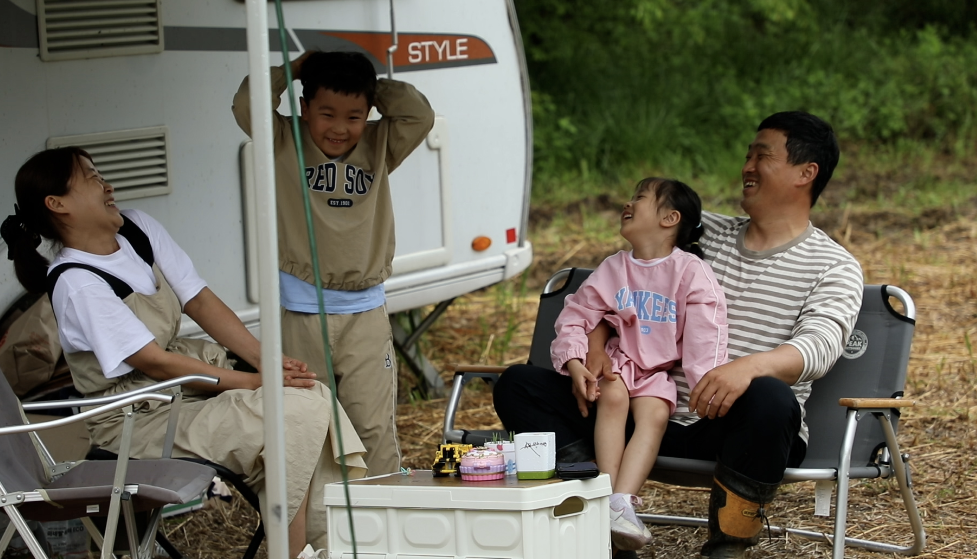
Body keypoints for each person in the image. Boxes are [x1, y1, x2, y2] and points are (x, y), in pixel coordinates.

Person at [494, 111, 864, 558]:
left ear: (807, 173)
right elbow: (624, 289)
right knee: (519, 385)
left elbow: (820, 346)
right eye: (747, 155)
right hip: (633, 406)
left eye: (762, 156)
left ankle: (726, 547)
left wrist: (746, 369)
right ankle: (600, 514)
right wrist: (594, 349)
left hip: (729, 427)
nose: (747, 166)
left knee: (770, 398)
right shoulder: (702, 233)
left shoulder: (833, 265)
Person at [2, 147, 367, 557]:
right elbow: (155, 363)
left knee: (312, 397)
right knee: (292, 414)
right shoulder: (75, 281)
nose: (108, 185)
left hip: (182, 391)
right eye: (91, 178)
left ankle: (326, 545)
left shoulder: (137, 230)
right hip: (137, 419)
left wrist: (269, 360)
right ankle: (294, 552)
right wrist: (256, 380)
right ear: (58, 204)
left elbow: (200, 300)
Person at [232, 51, 436, 476]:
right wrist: (296, 70)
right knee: (311, 427)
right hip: (302, 315)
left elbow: (419, 115)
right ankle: (321, 539)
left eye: (354, 116)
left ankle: (384, 526)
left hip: (365, 315)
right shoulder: (283, 140)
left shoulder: (379, 144)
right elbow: (247, 102)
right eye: (327, 114)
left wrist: (368, 82)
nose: (340, 128)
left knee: (373, 427)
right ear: (303, 108)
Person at [551, 177, 729, 550]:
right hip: (616, 362)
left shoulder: (689, 271)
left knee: (655, 415)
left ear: (669, 218)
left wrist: (704, 384)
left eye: (640, 198)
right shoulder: (614, 268)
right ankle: (605, 494)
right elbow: (577, 314)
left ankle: (621, 501)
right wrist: (573, 361)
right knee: (613, 398)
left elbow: (705, 331)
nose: (627, 204)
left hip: (656, 375)